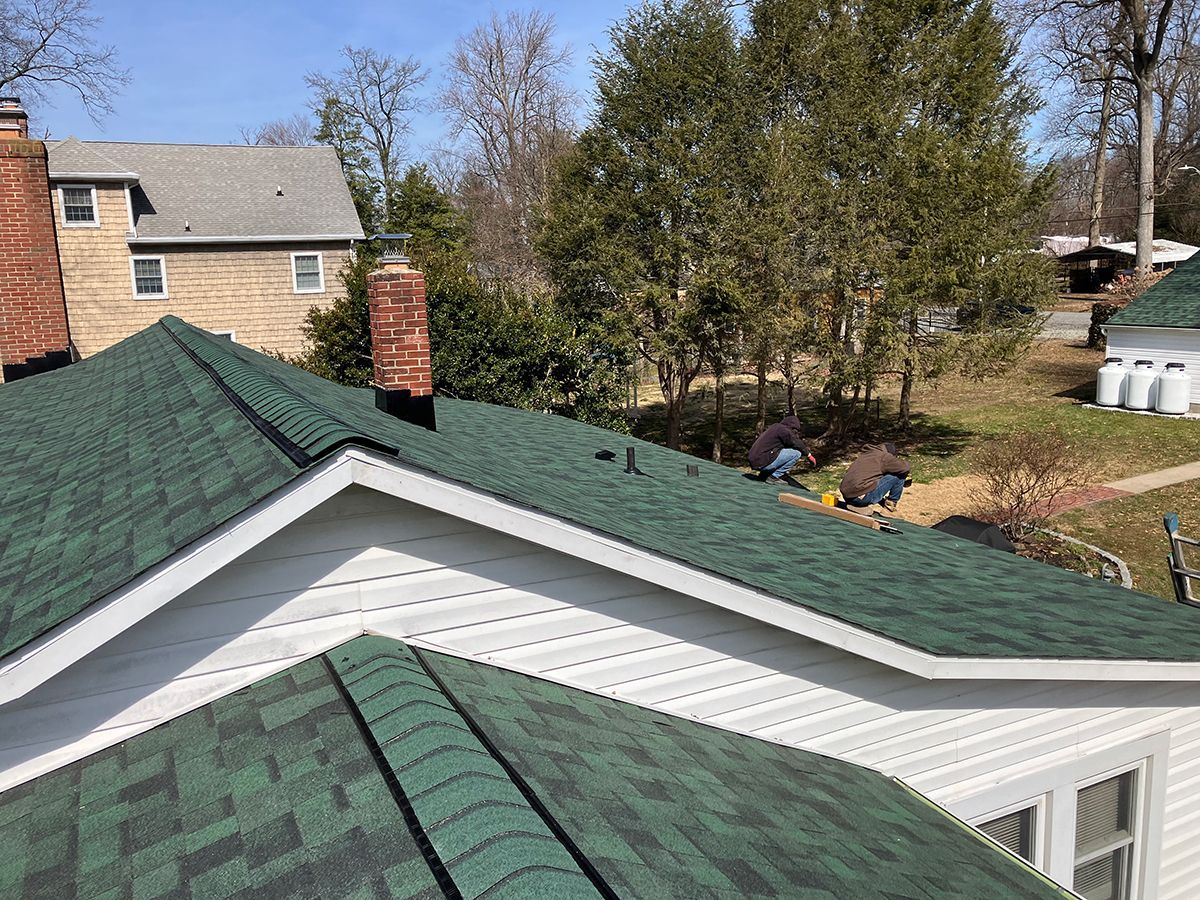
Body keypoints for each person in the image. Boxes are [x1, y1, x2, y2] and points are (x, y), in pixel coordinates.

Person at [839, 442, 911, 512]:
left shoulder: (867, 454)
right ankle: (889, 507)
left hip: (847, 497)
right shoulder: (885, 457)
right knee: (900, 475)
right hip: (860, 498)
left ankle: (857, 503)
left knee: (875, 478)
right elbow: (905, 468)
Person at [748, 416, 816, 484]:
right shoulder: (784, 430)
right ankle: (774, 477)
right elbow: (796, 443)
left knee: (777, 452)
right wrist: (809, 455)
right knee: (796, 454)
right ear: (793, 427)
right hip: (762, 460)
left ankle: (764, 475)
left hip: (756, 460)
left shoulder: (775, 427)